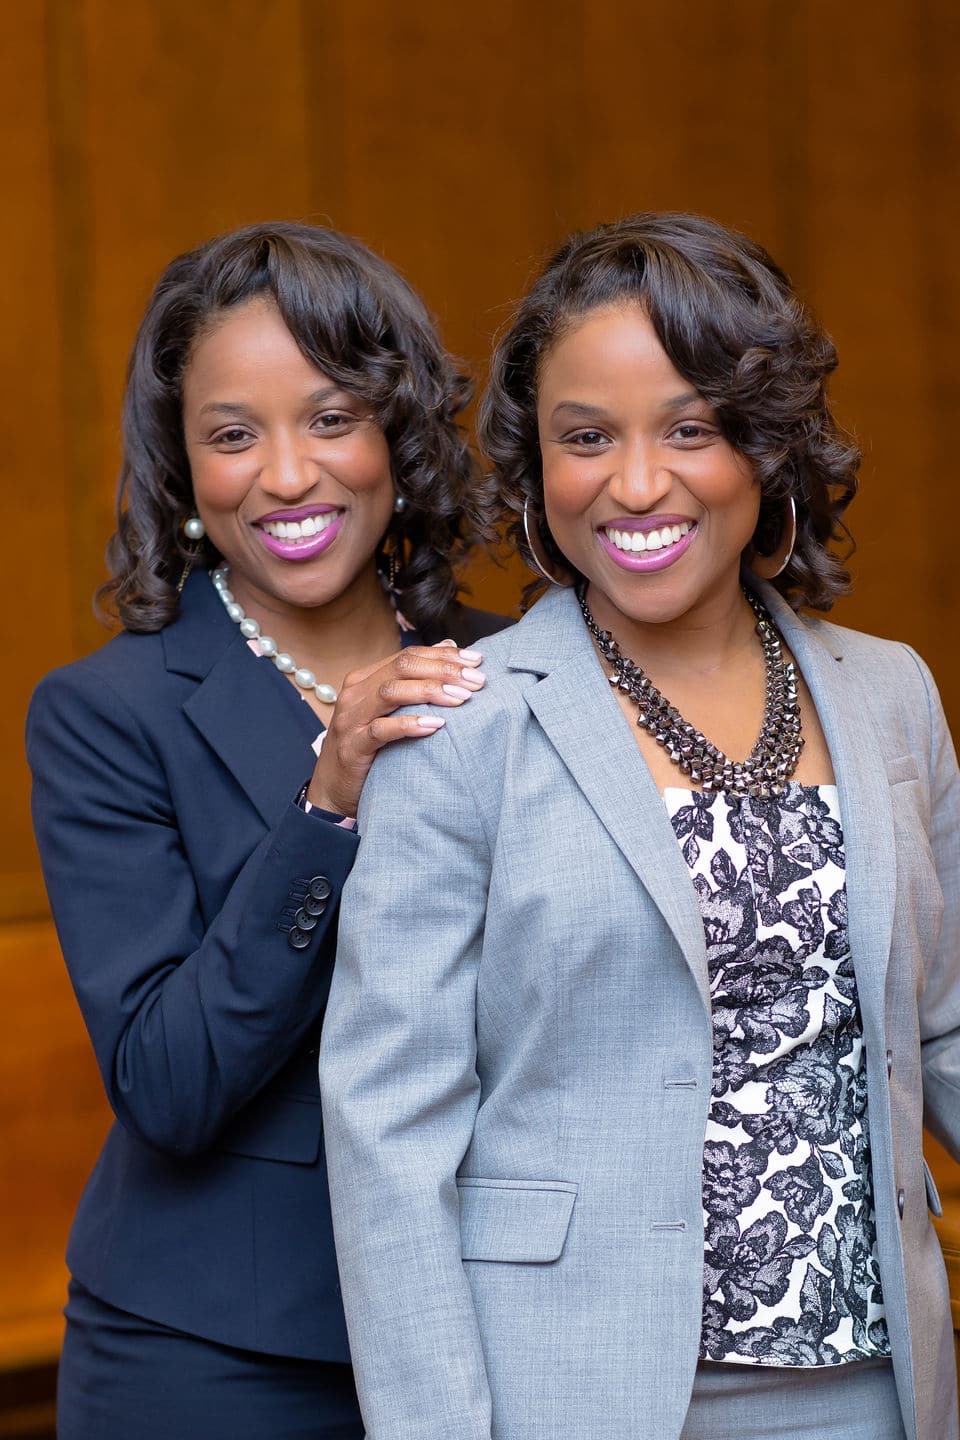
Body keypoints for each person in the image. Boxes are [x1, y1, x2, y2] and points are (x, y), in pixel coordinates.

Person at [319, 212, 960, 1440]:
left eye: (690, 428)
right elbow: (386, 1136)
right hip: (573, 1392)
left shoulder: (892, 697)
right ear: (535, 467)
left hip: (874, 1392)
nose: (635, 483)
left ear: (765, 447)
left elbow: (947, 1029)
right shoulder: (461, 730)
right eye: (585, 439)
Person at [26, 220, 507, 1440]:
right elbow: (169, 1085)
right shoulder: (105, 716)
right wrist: (327, 796)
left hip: (499, 1312)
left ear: (397, 431)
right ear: (183, 468)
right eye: (233, 435)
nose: (288, 475)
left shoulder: (515, 669)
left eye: (333, 417)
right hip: (220, 1354)